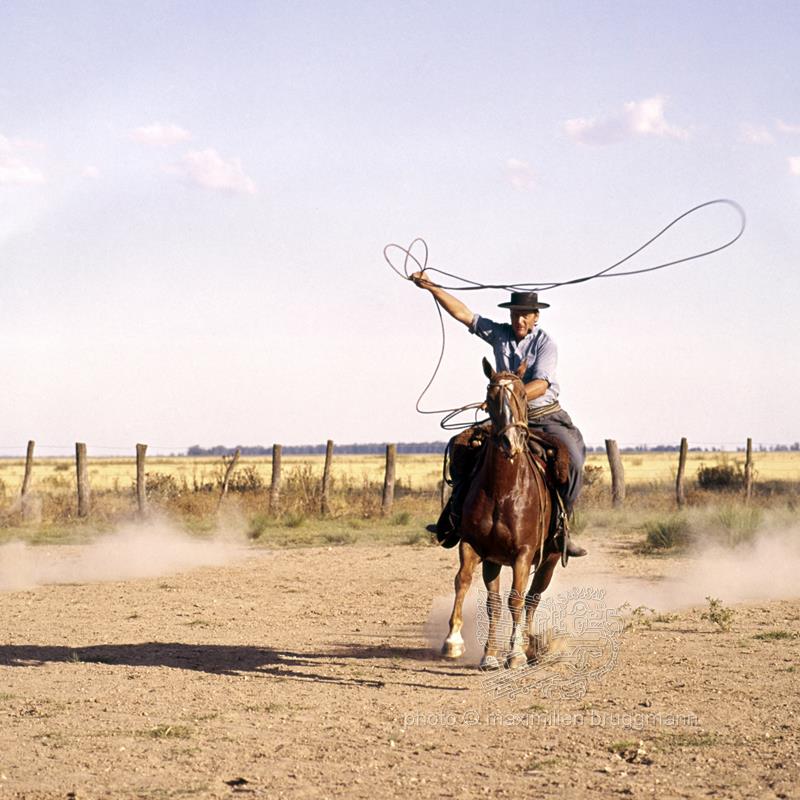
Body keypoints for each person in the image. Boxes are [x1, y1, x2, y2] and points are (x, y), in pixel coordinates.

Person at [410, 271, 587, 558]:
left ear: (535, 317)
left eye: (525, 315)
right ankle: (455, 519)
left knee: (574, 460)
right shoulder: (499, 334)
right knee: (461, 446)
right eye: (516, 314)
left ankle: (561, 528)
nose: (519, 320)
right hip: (505, 417)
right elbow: (465, 315)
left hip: (545, 416)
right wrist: (431, 287)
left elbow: (542, 384)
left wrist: (507, 396)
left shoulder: (545, 344)